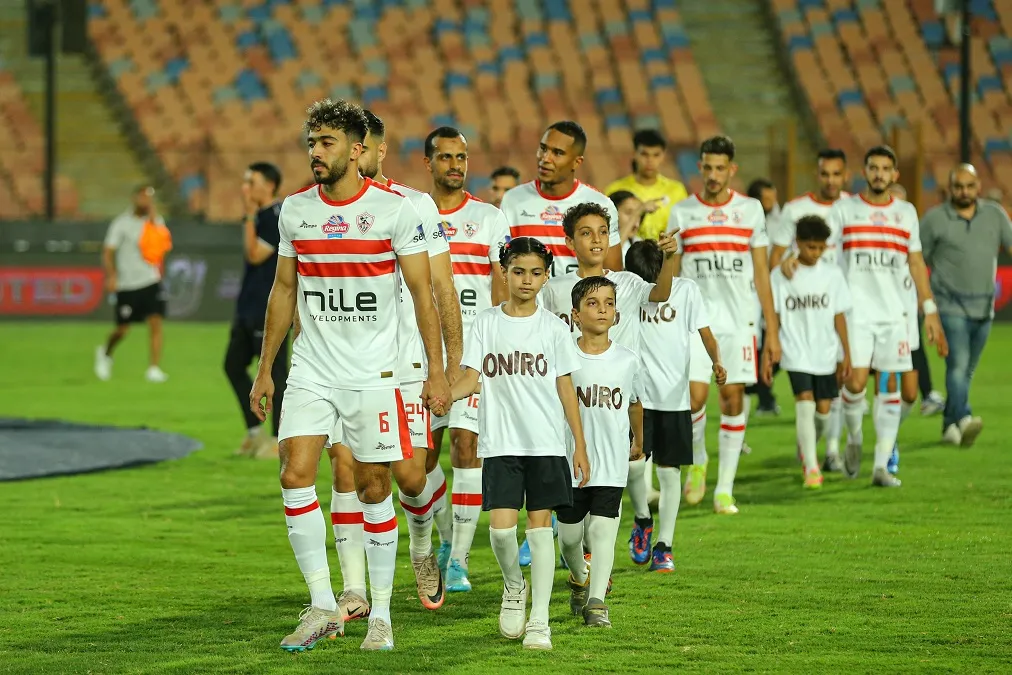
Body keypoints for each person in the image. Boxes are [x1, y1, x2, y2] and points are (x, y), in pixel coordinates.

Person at [248, 98, 451, 652]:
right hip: (313, 368)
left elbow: (423, 296)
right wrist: (266, 369)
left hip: (375, 373)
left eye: (327, 142)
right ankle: (321, 604)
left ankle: (381, 614)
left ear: (358, 151)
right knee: (294, 475)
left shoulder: (395, 212)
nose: (316, 152)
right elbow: (284, 290)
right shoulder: (295, 210)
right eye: (312, 142)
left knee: (375, 485)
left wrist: (435, 371)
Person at [322, 110, 462, 622]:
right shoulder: (319, 209)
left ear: (377, 151)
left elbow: (442, 287)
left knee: (410, 476)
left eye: (362, 149)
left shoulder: (415, 206)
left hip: (404, 366)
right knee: (347, 470)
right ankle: (354, 591)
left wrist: (445, 365)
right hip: (340, 365)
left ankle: (422, 547)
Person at [443, 237, 589, 651]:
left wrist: (578, 444)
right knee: (503, 533)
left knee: (540, 532)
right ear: (504, 272)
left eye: (536, 273)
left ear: (546, 276)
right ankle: (514, 588)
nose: (527, 280)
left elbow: (566, 388)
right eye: (519, 271)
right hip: (501, 444)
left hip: (545, 443)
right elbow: (471, 378)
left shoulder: (555, 328)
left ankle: (540, 621)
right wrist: (443, 394)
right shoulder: (486, 323)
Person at [538, 202, 677, 566]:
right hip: (571, 399)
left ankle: (621, 536)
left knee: (623, 472)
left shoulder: (628, 283)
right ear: (570, 242)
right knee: (579, 481)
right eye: (586, 233)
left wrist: (670, 259)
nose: (597, 240)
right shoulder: (555, 289)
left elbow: (661, 294)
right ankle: (578, 548)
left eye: (602, 232)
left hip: (618, 398)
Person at [818, 145, 946, 487]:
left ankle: (881, 467)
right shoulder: (845, 210)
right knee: (856, 382)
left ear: (894, 175)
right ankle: (856, 437)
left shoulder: (905, 213)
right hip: (856, 312)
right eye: (873, 168)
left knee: (891, 387)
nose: (878, 174)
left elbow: (916, 262)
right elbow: (825, 256)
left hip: (896, 315)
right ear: (865, 171)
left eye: (885, 169)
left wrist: (929, 308)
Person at [666, 135, 780, 515]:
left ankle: (725, 490)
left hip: (739, 322)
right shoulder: (682, 212)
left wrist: (772, 329)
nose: (713, 175)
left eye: (720, 168)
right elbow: (675, 274)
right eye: (707, 167)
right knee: (694, 398)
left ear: (732, 169)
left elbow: (762, 272)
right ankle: (698, 460)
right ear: (699, 167)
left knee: (733, 400)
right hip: (695, 324)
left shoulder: (749, 211)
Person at [424, 125, 511, 592]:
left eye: (462, 157)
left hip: (472, 350)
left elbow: (502, 284)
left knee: (466, 445)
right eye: (445, 158)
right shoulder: (411, 214)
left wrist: (497, 341)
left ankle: (457, 560)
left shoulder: (489, 219)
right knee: (418, 463)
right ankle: (444, 536)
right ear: (429, 163)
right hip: (418, 351)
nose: (455, 166)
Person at [626, 240, 725, 570]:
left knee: (669, 475)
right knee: (633, 466)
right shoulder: (625, 290)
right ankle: (642, 519)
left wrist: (717, 361)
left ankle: (665, 546)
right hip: (636, 398)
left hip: (673, 399)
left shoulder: (686, 291)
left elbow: (706, 333)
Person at [555, 275, 641, 627]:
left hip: (611, 462)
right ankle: (579, 576)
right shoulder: (563, 358)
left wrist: (639, 439)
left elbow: (635, 402)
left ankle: (597, 603)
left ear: (617, 313)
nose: (602, 309)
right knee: (571, 537)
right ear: (574, 314)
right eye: (592, 303)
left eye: (608, 302)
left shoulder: (628, 359)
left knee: (605, 532)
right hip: (569, 462)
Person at [769, 149, 851, 471]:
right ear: (818, 174)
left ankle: (831, 446)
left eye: (837, 174)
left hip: (838, 303)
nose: (830, 180)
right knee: (807, 397)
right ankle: (816, 459)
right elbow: (776, 257)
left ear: (845, 176)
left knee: (838, 394)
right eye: (825, 173)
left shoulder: (852, 209)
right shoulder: (795, 209)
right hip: (800, 311)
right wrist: (788, 261)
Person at [921, 163, 1012, 446]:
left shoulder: (995, 215)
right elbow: (916, 258)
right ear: (950, 188)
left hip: (984, 308)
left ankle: (949, 424)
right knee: (958, 366)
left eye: (969, 186)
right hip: (950, 306)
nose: (963, 191)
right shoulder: (935, 219)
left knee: (966, 370)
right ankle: (964, 418)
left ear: (978, 188)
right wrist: (927, 306)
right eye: (958, 186)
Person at [499, 120, 622, 276]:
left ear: (576, 162)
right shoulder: (513, 200)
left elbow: (614, 274)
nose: (545, 158)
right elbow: (501, 264)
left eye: (557, 153)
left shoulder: (600, 204)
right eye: (543, 149)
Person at [225, 162, 287, 459]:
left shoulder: (275, 217)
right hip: (247, 305)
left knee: (276, 371)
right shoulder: (259, 216)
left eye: (251, 182)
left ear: (270, 185)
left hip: (268, 306)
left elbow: (254, 255)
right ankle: (254, 432)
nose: (245, 188)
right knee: (232, 365)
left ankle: (278, 439)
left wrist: (248, 215)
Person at [94, 185, 172, 383]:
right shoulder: (121, 223)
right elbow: (108, 251)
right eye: (143, 197)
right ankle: (105, 352)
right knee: (123, 329)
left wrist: (153, 216)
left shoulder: (154, 222)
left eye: (150, 198)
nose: (146, 202)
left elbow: (163, 242)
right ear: (134, 198)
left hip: (150, 280)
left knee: (155, 323)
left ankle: (154, 368)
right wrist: (111, 276)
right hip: (127, 284)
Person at [603, 129, 689, 241]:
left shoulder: (677, 191)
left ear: (663, 156)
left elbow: (683, 230)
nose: (650, 160)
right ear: (634, 154)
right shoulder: (615, 189)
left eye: (656, 155)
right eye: (644, 154)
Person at [744, 178, 783, 421]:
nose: (771, 203)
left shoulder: (781, 222)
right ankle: (762, 396)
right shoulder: (748, 220)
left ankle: (756, 388)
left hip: (777, 289)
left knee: (779, 344)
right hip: (751, 290)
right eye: (766, 199)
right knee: (757, 342)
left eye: (773, 197)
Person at [608, 190, 646, 260]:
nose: (636, 223)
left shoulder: (640, 243)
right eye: (629, 213)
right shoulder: (602, 242)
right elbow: (612, 256)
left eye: (639, 215)